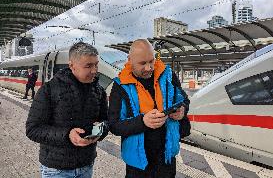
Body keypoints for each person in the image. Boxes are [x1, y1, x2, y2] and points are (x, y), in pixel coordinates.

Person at [109, 39, 190, 178]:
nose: (149, 68)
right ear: (130, 60)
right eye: (142, 63)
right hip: (138, 165)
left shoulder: (168, 75)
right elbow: (114, 125)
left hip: (167, 158)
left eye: (151, 61)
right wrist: (143, 122)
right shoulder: (120, 86)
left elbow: (184, 100)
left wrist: (182, 110)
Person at [26, 42, 108, 178]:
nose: (94, 70)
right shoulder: (49, 90)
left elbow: (105, 120)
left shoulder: (98, 91)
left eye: (96, 64)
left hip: (86, 164)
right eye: (88, 66)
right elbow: (33, 129)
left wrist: (101, 130)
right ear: (72, 66)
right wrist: (67, 135)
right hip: (56, 169)